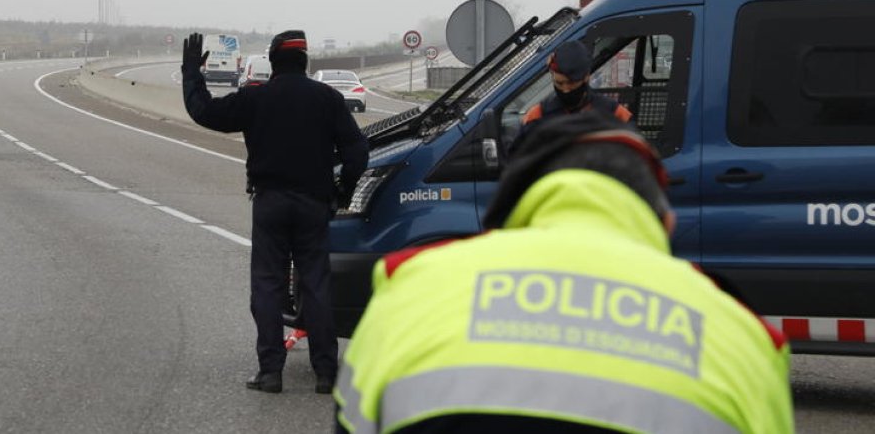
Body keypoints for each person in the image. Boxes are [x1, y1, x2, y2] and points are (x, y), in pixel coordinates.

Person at [335, 112, 793, 433]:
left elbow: (354, 421)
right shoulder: (742, 335)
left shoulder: (414, 288)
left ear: (508, 204)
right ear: (664, 218)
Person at [182, 30, 369, 395]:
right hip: (314, 204)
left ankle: (270, 374)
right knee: (316, 285)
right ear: (305, 61)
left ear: (272, 62)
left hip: (270, 203)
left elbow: (205, 111)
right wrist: (343, 190)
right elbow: (357, 152)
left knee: (267, 285)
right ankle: (326, 375)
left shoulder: (256, 98)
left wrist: (192, 74)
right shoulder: (328, 99)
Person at [521, 40, 631, 132]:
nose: (565, 90)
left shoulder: (614, 113)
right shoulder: (537, 116)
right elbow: (519, 155)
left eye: (571, 82)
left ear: (586, 77)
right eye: (559, 83)